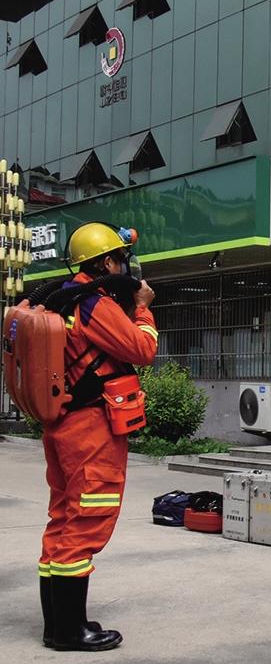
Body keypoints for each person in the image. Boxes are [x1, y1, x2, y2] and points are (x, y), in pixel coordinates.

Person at [39, 222, 157, 651]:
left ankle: (58, 624)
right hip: (91, 429)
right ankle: (71, 632)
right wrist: (142, 309)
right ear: (107, 262)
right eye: (121, 259)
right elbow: (142, 350)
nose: (125, 267)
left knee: (63, 519)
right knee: (87, 520)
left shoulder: (62, 299)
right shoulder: (94, 304)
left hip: (63, 424)